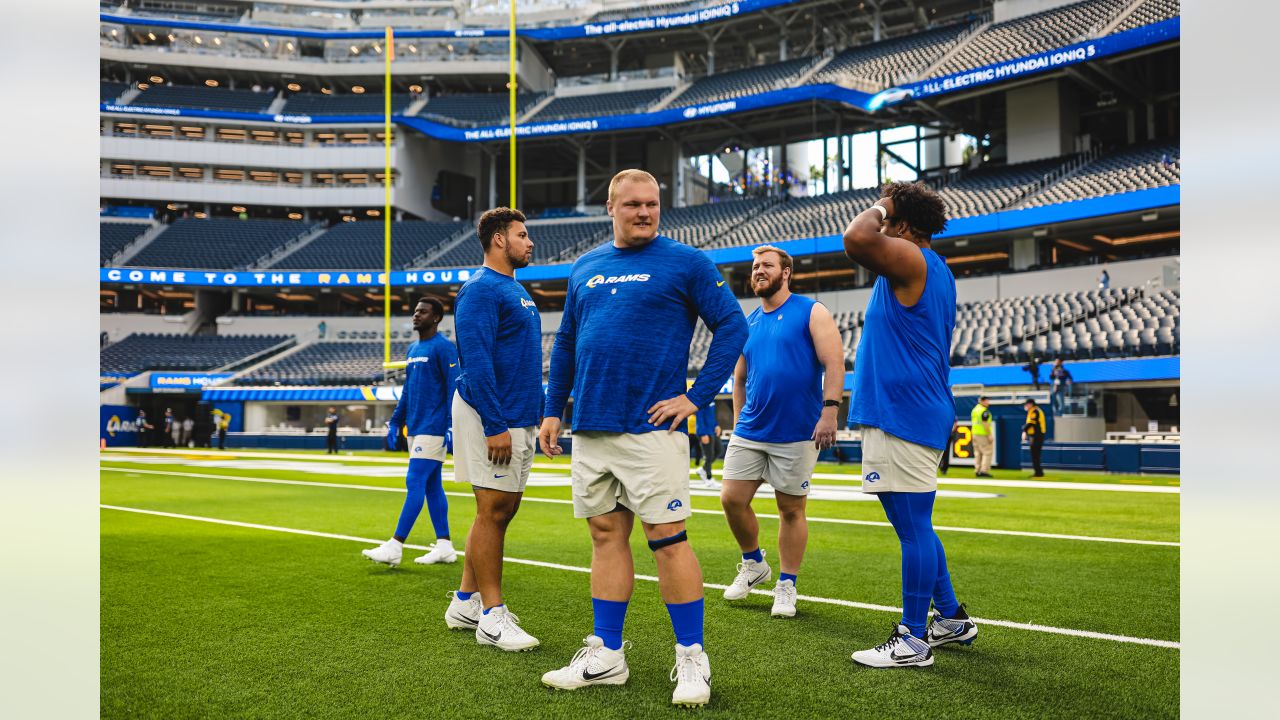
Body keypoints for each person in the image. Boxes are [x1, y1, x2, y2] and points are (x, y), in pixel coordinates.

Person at [539, 169, 748, 707]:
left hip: (651, 428)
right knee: (605, 535)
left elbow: (733, 326)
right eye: (633, 204)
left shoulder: (686, 261)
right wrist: (552, 412)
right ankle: (607, 655)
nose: (644, 213)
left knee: (668, 539)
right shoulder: (585, 267)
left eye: (652, 204)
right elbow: (565, 344)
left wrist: (696, 397)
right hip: (590, 425)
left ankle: (692, 658)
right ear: (610, 206)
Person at [841, 181, 977, 668]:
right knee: (911, 523)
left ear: (900, 224)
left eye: (889, 215)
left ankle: (913, 639)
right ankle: (951, 618)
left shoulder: (912, 258)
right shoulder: (921, 266)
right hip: (902, 409)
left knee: (914, 526)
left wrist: (884, 203)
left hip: (906, 411)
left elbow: (855, 239)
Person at [718, 244, 845, 619]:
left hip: (797, 431)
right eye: (755, 266)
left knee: (791, 509)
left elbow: (834, 361)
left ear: (785, 272)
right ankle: (754, 562)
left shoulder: (811, 310)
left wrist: (830, 412)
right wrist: (740, 421)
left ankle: (786, 585)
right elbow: (739, 378)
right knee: (731, 499)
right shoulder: (749, 320)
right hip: (751, 430)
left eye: (766, 266)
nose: (758, 271)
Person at [443, 207, 543, 652]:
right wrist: (495, 424)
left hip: (517, 414)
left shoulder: (514, 289)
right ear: (499, 240)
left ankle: (465, 601)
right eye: (522, 235)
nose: (530, 242)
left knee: (502, 510)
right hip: (492, 415)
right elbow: (476, 362)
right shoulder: (481, 289)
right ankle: (491, 616)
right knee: (493, 511)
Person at [362, 297, 460, 568]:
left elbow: (454, 387)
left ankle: (395, 545)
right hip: (415, 427)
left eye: (423, 312)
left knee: (414, 480)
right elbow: (408, 390)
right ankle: (445, 546)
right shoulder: (412, 348)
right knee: (431, 485)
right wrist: (395, 422)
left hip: (434, 426)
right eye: (415, 311)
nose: (416, 315)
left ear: (436, 317)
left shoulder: (444, 348)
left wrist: (452, 424)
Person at [694, 399, 721, 489]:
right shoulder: (702, 399)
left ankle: (703, 469)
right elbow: (699, 416)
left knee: (719, 450)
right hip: (704, 432)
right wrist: (702, 433)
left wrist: (716, 425)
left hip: (712, 430)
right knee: (709, 456)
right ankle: (709, 479)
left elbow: (712, 415)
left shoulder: (712, 399)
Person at [970, 397, 994, 478]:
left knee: (977, 453)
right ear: (983, 401)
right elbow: (985, 423)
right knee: (987, 452)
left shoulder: (975, 409)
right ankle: (984, 471)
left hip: (975, 433)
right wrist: (989, 434)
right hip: (983, 434)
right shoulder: (983, 411)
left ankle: (977, 470)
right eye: (987, 401)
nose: (988, 402)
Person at [1023, 398, 1047, 477]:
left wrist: (1024, 430)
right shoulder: (1034, 411)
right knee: (1035, 455)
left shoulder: (1035, 411)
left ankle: (1038, 472)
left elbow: (1031, 423)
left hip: (1037, 436)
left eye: (1026, 404)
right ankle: (1039, 471)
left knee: (1035, 454)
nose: (1025, 406)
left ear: (1031, 404)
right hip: (1036, 435)